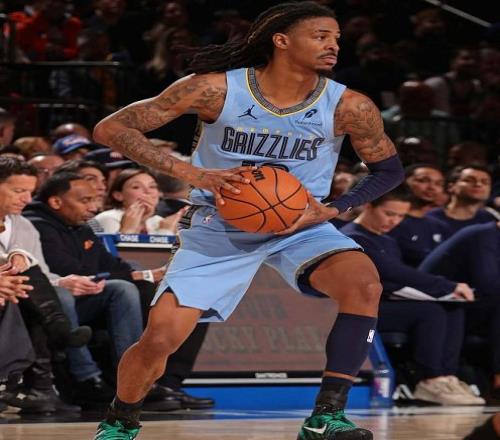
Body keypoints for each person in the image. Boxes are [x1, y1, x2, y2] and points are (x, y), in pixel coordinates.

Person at [92, 2, 405, 439]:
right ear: (281, 40)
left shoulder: (349, 106)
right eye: (320, 36)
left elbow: (389, 170)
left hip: (299, 224)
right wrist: (193, 174)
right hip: (217, 225)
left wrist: (334, 208)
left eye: (336, 37)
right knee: (161, 338)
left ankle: (326, 416)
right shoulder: (214, 90)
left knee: (365, 285)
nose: (333, 45)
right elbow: (111, 129)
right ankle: (120, 422)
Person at [340, 187, 482, 405]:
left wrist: (445, 292)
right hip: (360, 308)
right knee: (429, 312)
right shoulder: (354, 237)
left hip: (389, 300)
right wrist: (446, 285)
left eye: (400, 216)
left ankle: (447, 377)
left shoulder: (388, 240)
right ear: (368, 205)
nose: (394, 221)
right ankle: (430, 379)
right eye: (389, 214)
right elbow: (392, 272)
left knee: (453, 306)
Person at [426, 164, 497, 237]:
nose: (478, 184)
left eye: (485, 182)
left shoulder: (491, 218)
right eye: (469, 180)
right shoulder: (432, 218)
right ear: (451, 187)